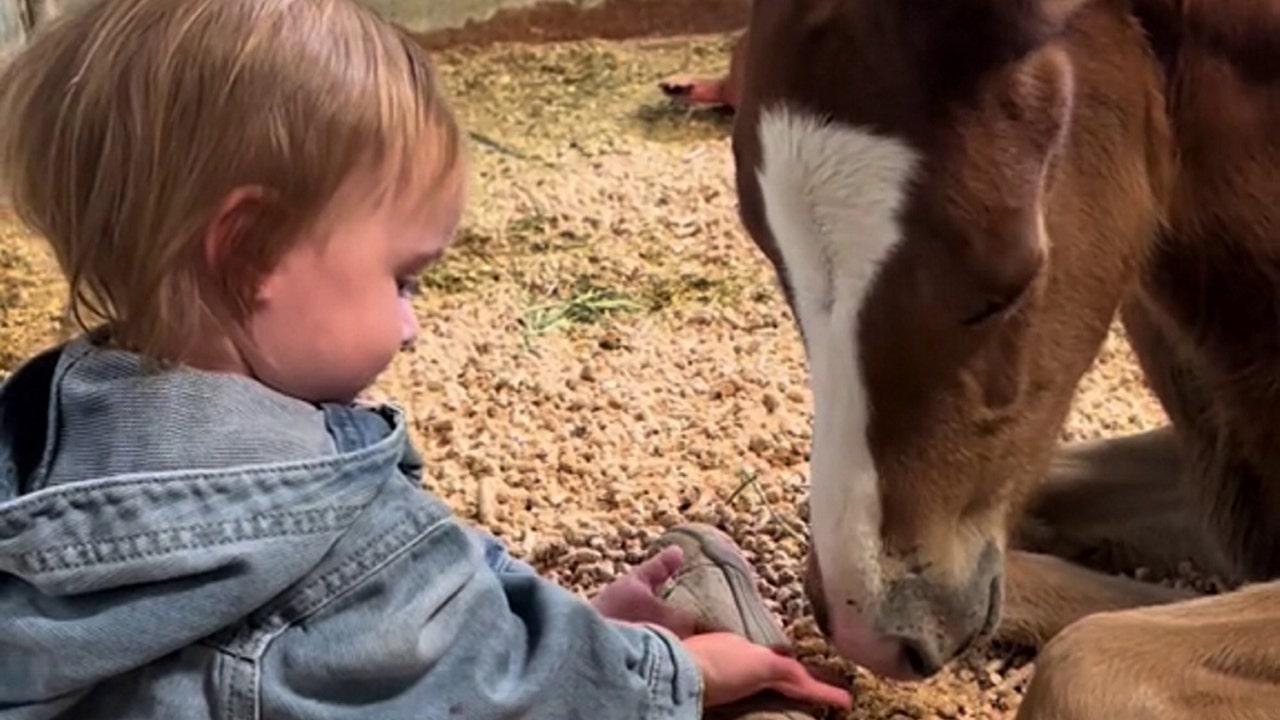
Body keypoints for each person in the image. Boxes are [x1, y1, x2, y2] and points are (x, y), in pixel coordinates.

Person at [0, 1, 854, 718]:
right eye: (402, 278)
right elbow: (484, 687)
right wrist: (671, 674)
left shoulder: (39, 451)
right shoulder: (331, 531)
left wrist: (571, 624)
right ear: (253, 250)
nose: (410, 325)